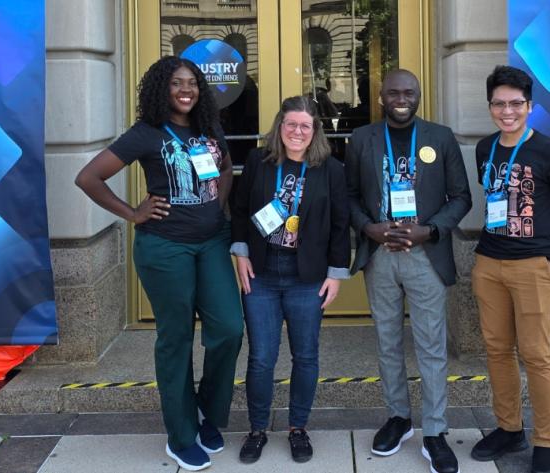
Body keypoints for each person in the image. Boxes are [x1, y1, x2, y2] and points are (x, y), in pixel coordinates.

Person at [75, 56, 242, 472]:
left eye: (192, 83)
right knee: (176, 338)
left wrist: (215, 206)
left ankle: (204, 409)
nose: (186, 90)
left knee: (228, 328)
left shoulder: (209, 127)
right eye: (175, 83)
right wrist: (132, 213)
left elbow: (225, 169)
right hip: (166, 249)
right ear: (160, 89)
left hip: (212, 244)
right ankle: (180, 433)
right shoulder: (145, 134)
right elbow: (88, 178)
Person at [345, 69, 472, 473]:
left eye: (409, 92)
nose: (402, 98)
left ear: (419, 96)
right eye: (394, 92)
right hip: (379, 253)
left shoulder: (441, 137)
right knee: (386, 341)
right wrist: (368, 227)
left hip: (425, 254)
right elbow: (347, 195)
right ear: (381, 96)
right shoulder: (361, 139)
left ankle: (434, 431)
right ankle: (398, 417)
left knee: (431, 345)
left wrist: (429, 230)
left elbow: (462, 197)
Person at [469, 65, 550, 473]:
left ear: (530, 107)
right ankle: (509, 428)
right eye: (499, 104)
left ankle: (548, 443)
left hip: (534, 266)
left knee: (536, 355)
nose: (507, 111)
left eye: (516, 104)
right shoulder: (485, 149)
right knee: (497, 350)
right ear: (490, 107)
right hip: (489, 262)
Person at [230, 95, 351, 464]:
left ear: (315, 131)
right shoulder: (258, 161)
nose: (297, 132)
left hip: (307, 277)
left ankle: (298, 427)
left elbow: (340, 224)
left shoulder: (330, 169)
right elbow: (238, 209)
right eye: (290, 124)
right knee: (262, 358)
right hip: (263, 274)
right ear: (279, 127)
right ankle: (257, 430)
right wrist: (240, 252)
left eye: (305, 126)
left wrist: (336, 274)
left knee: (306, 355)